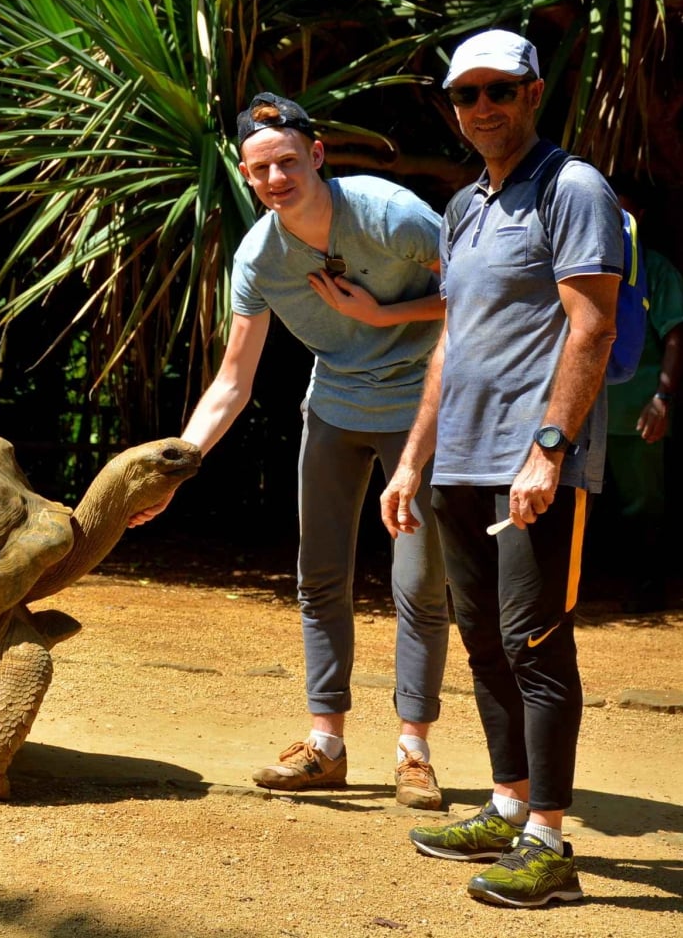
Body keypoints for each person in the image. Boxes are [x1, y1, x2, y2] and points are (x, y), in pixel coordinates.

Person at [132, 92, 451, 809]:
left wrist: (383, 314)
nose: (276, 178)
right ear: (247, 179)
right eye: (260, 169)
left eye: (286, 161)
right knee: (320, 575)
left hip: (418, 407)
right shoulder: (259, 258)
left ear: (316, 154)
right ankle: (326, 743)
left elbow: (478, 295)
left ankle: (414, 750)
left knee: (419, 578)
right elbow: (231, 382)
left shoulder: (390, 213)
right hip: (335, 404)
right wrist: (170, 473)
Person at [380, 29, 623, 908]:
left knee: (536, 642)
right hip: (459, 461)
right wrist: (412, 460)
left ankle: (550, 843)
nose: (480, 107)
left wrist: (549, 448)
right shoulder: (466, 205)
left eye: (496, 90)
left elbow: (591, 326)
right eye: (464, 94)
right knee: (481, 637)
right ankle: (507, 801)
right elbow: (452, 341)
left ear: (530, 92)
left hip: (533, 462)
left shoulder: (573, 188)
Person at [596, 176, 683, 613]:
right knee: (587, 503)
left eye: (624, 213)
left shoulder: (655, 268)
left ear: (641, 217)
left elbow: (675, 334)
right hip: (585, 412)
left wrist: (662, 399)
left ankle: (646, 589)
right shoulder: (581, 267)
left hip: (636, 411)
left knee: (643, 504)